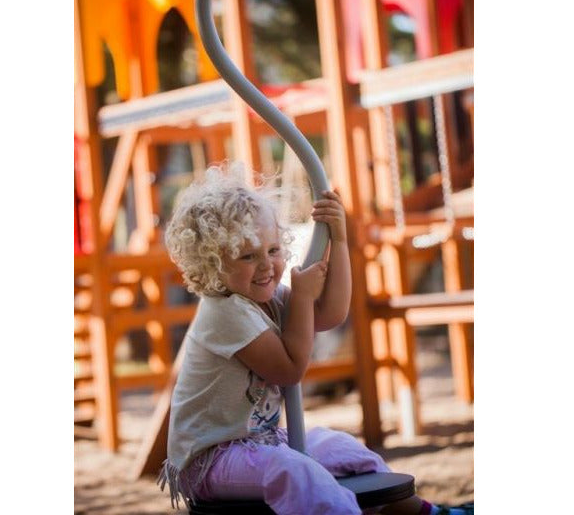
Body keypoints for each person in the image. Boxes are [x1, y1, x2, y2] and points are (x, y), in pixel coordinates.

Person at [158, 163, 473, 515]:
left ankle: (426, 512)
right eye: (248, 256)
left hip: (262, 442)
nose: (267, 266)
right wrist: (303, 297)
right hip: (212, 458)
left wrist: (339, 240)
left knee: (346, 451)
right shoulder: (225, 312)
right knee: (294, 471)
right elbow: (290, 369)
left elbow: (331, 313)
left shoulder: (266, 295)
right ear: (214, 263)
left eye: (273, 251)